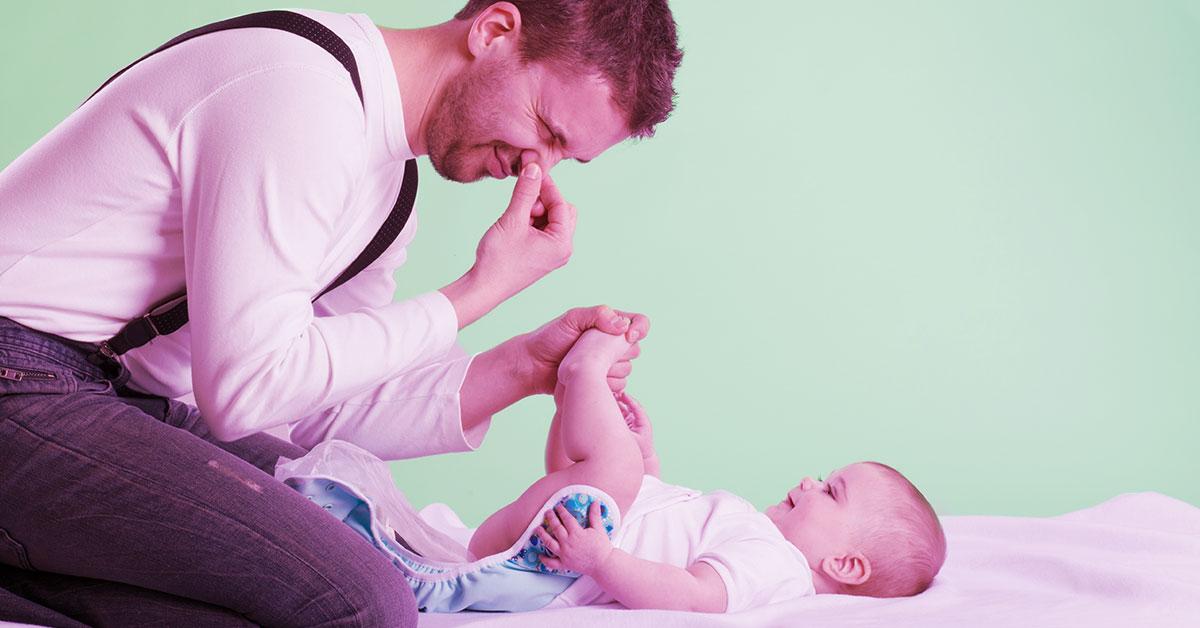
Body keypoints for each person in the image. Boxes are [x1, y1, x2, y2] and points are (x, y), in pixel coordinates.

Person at [0, 1, 682, 625]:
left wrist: (522, 368)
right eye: (545, 128)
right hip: (20, 373)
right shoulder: (300, 91)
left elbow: (309, 408)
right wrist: (479, 290)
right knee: (360, 602)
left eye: (568, 155)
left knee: (354, 546)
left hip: (107, 395)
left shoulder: (387, 192)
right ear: (494, 31)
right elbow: (245, 392)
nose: (539, 166)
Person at [469, 329, 948, 612]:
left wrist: (600, 562)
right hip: (568, 539)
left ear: (844, 564)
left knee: (613, 468)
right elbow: (668, 532)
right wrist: (649, 459)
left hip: (556, 568)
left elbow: (694, 596)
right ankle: (571, 390)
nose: (810, 482)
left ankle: (584, 374)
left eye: (831, 492)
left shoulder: (777, 566)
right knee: (610, 468)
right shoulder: (761, 540)